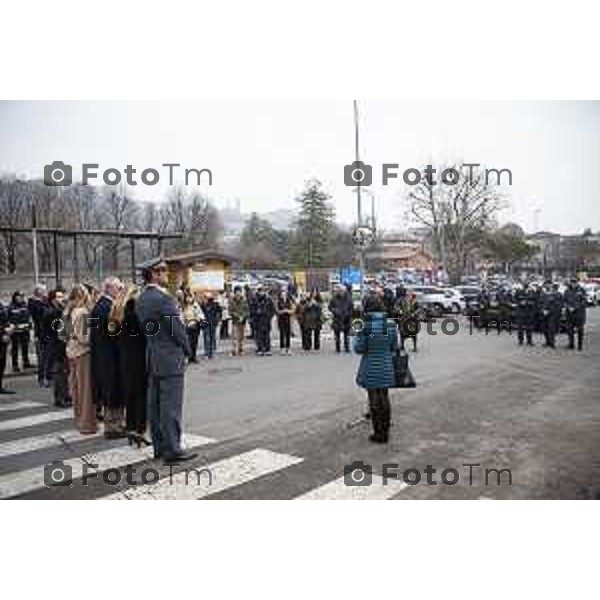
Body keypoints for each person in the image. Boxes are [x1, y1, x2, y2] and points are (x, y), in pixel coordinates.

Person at [136, 257, 197, 464]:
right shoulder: (163, 299)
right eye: (162, 270)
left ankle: (160, 447)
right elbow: (177, 329)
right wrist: (188, 351)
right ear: (154, 274)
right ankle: (173, 449)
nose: (167, 273)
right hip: (170, 357)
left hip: (152, 356)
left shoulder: (142, 298)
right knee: (171, 406)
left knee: (156, 406)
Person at [353, 294, 398, 444]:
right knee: (384, 398)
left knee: (373, 400)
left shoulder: (365, 325)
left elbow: (359, 348)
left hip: (370, 367)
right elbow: (394, 347)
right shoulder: (390, 324)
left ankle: (377, 433)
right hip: (386, 366)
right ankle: (385, 433)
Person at [114, 285, 149, 446]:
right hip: (138, 359)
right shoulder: (136, 315)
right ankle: (140, 430)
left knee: (130, 395)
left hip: (125, 359)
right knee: (141, 395)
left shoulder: (119, 314)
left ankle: (130, 428)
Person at [90, 276, 125, 438]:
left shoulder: (101, 305)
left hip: (103, 355)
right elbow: (115, 333)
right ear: (110, 288)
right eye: (119, 289)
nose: (120, 292)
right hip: (109, 356)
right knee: (112, 390)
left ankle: (116, 424)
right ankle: (113, 427)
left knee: (111, 389)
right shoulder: (106, 307)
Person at [64, 284, 96, 434]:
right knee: (86, 391)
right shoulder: (83, 313)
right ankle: (87, 424)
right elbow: (85, 337)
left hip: (71, 351)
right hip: (83, 353)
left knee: (76, 390)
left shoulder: (68, 311)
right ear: (84, 296)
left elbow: (63, 334)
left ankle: (79, 421)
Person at [43, 288, 71, 407]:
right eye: (59, 297)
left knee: (64, 372)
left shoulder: (58, 310)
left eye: (62, 296)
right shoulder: (52, 312)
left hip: (60, 345)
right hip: (56, 345)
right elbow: (58, 329)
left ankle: (65, 395)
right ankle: (60, 398)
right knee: (59, 372)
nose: (62, 299)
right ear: (53, 299)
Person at [28, 284, 49, 386]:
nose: (45, 292)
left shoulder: (42, 303)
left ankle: (47, 377)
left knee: (47, 356)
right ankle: (42, 378)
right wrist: (44, 301)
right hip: (40, 334)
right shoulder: (34, 304)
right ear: (38, 292)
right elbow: (41, 313)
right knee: (42, 357)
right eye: (43, 291)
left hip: (46, 332)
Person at [8, 291, 32, 372]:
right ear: (15, 297)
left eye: (22, 296)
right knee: (15, 348)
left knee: (25, 347)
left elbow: (28, 316)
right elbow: (8, 318)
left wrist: (29, 325)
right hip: (15, 331)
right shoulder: (11, 307)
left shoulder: (25, 305)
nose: (20, 298)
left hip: (24, 330)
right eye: (19, 296)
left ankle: (26, 362)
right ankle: (15, 365)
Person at [329, 285, 353, 353]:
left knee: (347, 335)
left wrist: (348, 313)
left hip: (346, 319)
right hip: (337, 318)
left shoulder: (348, 298)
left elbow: (351, 308)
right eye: (338, 290)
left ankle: (347, 347)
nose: (339, 292)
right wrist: (334, 311)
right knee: (337, 334)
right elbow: (330, 307)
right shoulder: (334, 298)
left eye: (341, 290)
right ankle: (337, 347)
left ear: (344, 291)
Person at [563, 279, 587, 350]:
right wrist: (568, 307)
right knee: (569, 330)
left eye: (574, 282)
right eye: (572, 282)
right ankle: (571, 344)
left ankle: (580, 345)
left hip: (579, 314)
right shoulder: (567, 291)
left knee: (580, 330)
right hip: (569, 314)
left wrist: (575, 307)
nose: (573, 284)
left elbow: (584, 301)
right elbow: (564, 301)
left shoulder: (581, 290)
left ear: (577, 283)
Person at [254, 285, 276, 356]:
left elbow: (273, 309)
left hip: (266, 319)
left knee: (267, 335)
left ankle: (267, 349)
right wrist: (256, 313)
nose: (263, 293)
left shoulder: (268, 299)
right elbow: (252, 309)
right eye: (261, 291)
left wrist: (270, 316)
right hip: (258, 319)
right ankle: (260, 349)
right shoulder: (255, 299)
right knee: (259, 335)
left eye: (264, 291)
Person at [181, 290, 202, 363]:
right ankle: (189, 357)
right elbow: (181, 316)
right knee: (188, 342)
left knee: (194, 342)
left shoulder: (195, 305)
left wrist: (197, 320)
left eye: (190, 297)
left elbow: (200, 314)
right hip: (187, 326)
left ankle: (193, 356)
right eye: (187, 297)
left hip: (195, 325)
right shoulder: (183, 307)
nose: (189, 299)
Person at [540, 281, 562, 349]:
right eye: (546, 285)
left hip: (552, 314)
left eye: (548, 285)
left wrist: (549, 311)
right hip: (544, 314)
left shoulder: (557, 294)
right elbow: (540, 303)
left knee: (551, 329)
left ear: (551, 285)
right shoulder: (543, 294)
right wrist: (542, 310)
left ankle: (552, 343)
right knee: (544, 328)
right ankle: (547, 341)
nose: (547, 286)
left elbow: (558, 305)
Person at [200, 292, 222, 359]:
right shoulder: (202, 305)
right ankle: (207, 353)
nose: (205, 299)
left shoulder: (215, 305)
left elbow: (219, 312)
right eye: (204, 297)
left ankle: (212, 352)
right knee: (207, 338)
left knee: (212, 338)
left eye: (206, 298)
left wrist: (217, 320)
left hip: (213, 323)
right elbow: (199, 314)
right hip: (205, 323)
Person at [0, 300, 15, 394]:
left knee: (2, 364)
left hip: (3, 339)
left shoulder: (1, 305)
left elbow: (5, 320)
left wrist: (9, 328)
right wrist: (3, 332)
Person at [229, 286, 249, 356]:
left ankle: (241, 349)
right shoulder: (232, 301)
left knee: (242, 336)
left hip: (243, 321)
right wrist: (237, 316)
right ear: (235, 292)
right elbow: (230, 311)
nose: (238, 293)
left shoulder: (244, 300)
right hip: (235, 320)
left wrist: (243, 316)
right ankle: (234, 350)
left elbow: (247, 310)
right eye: (237, 291)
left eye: (239, 291)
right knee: (234, 336)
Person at [276, 290, 295, 355]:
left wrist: (287, 311)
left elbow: (293, 310)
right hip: (281, 319)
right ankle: (282, 348)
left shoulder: (289, 301)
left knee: (287, 334)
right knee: (282, 334)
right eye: (282, 294)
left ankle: (288, 348)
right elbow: (277, 311)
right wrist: (283, 311)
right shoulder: (278, 302)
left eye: (285, 294)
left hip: (288, 319)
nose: (284, 295)